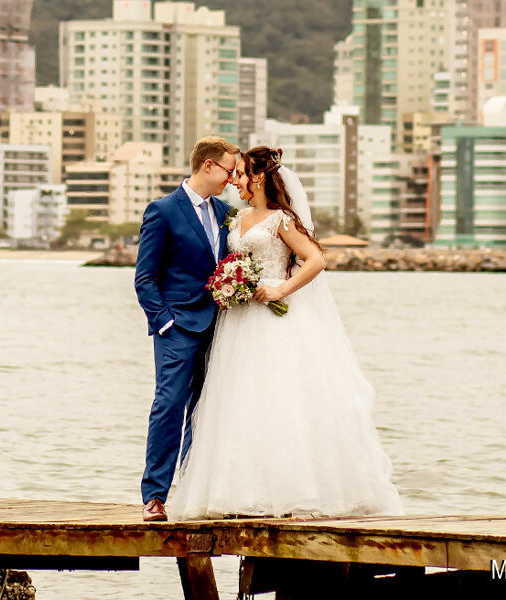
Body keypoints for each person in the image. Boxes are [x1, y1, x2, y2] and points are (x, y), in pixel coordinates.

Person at [170, 145, 404, 519]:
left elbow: (315, 259)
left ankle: (293, 492)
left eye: (242, 174)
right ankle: (237, 494)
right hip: (239, 323)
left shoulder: (281, 220)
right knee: (238, 401)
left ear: (258, 177)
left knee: (280, 399)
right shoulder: (237, 217)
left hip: (274, 320)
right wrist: (230, 284)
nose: (235, 180)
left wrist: (280, 289)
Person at [134, 135, 241, 523]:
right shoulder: (162, 210)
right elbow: (145, 277)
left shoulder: (227, 212)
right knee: (169, 406)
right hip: (177, 327)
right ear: (208, 165)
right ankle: (155, 496)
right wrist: (163, 322)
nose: (232, 178)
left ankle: (193, 490)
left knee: (205, 411)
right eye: (229, 170)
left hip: (219, 325)